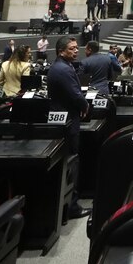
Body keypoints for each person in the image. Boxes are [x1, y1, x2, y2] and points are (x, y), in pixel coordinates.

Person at [46, 36, 91, 220]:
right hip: (68, 121)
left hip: (64, 117)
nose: (76, 50)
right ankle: (72, 206)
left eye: (76, 48)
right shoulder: (63, 69)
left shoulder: (62, 66)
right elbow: (75, 94)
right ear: (61, 50)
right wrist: (85, 106)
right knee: (72, 162)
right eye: (72, 48)